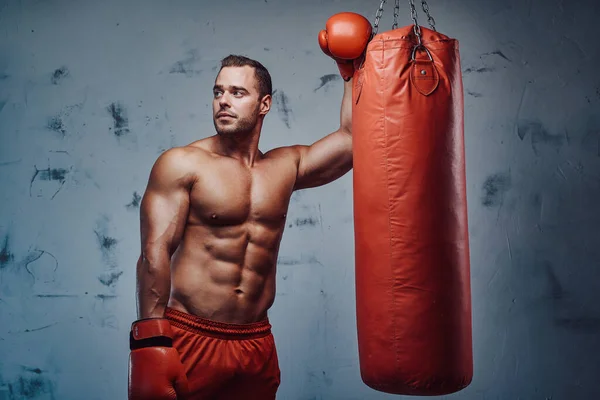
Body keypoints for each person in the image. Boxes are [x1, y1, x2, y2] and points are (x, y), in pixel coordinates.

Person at [128, 13, 372, 400]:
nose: (223, 100)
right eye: (218, 91)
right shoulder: (183, 163)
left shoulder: (284, 167)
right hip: (190, 335)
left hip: (255, 340)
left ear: (264, 104)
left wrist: (352, 71)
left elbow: (354, 140)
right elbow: (153, 253)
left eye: (237, 93)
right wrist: (148, 342)